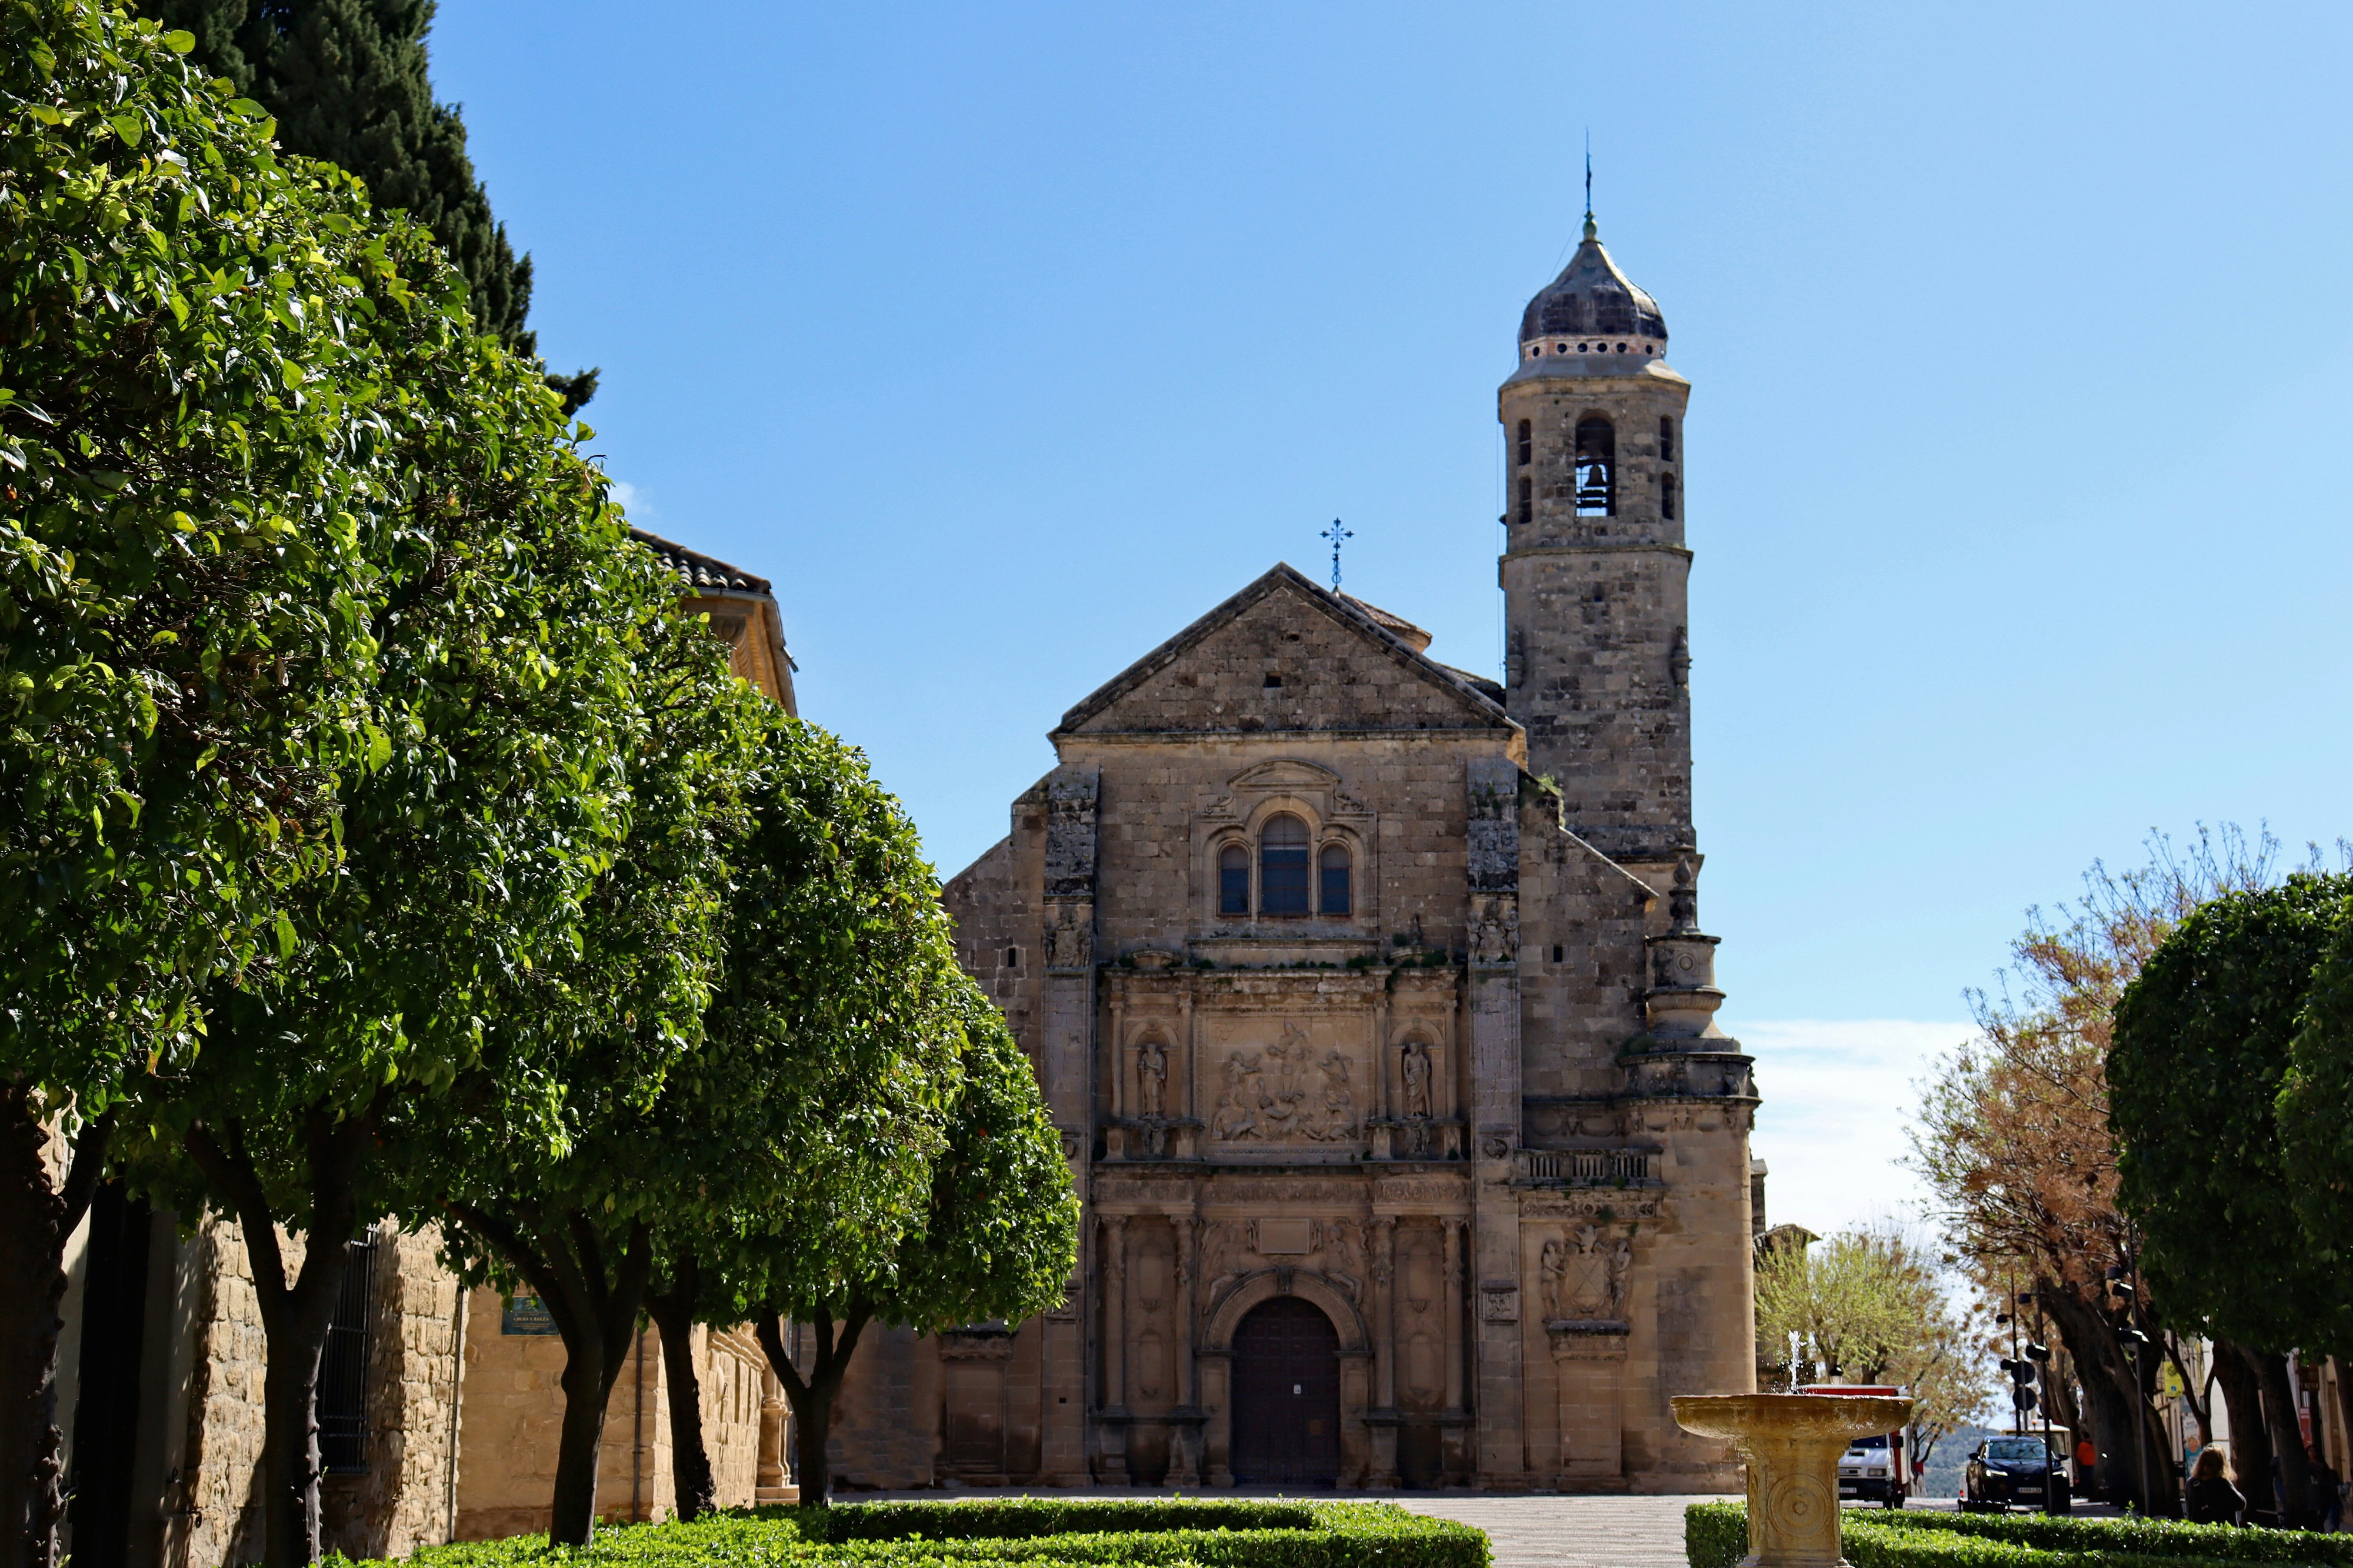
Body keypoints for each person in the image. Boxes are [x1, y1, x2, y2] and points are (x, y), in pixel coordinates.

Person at [2185, 1446, 2245, 1526]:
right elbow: (2242, 1504)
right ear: (2221, 1465)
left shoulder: (2191, 1483)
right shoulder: (2222, 1483)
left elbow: (2189, 1510)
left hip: (2198, 1530)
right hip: (2222, 1531)